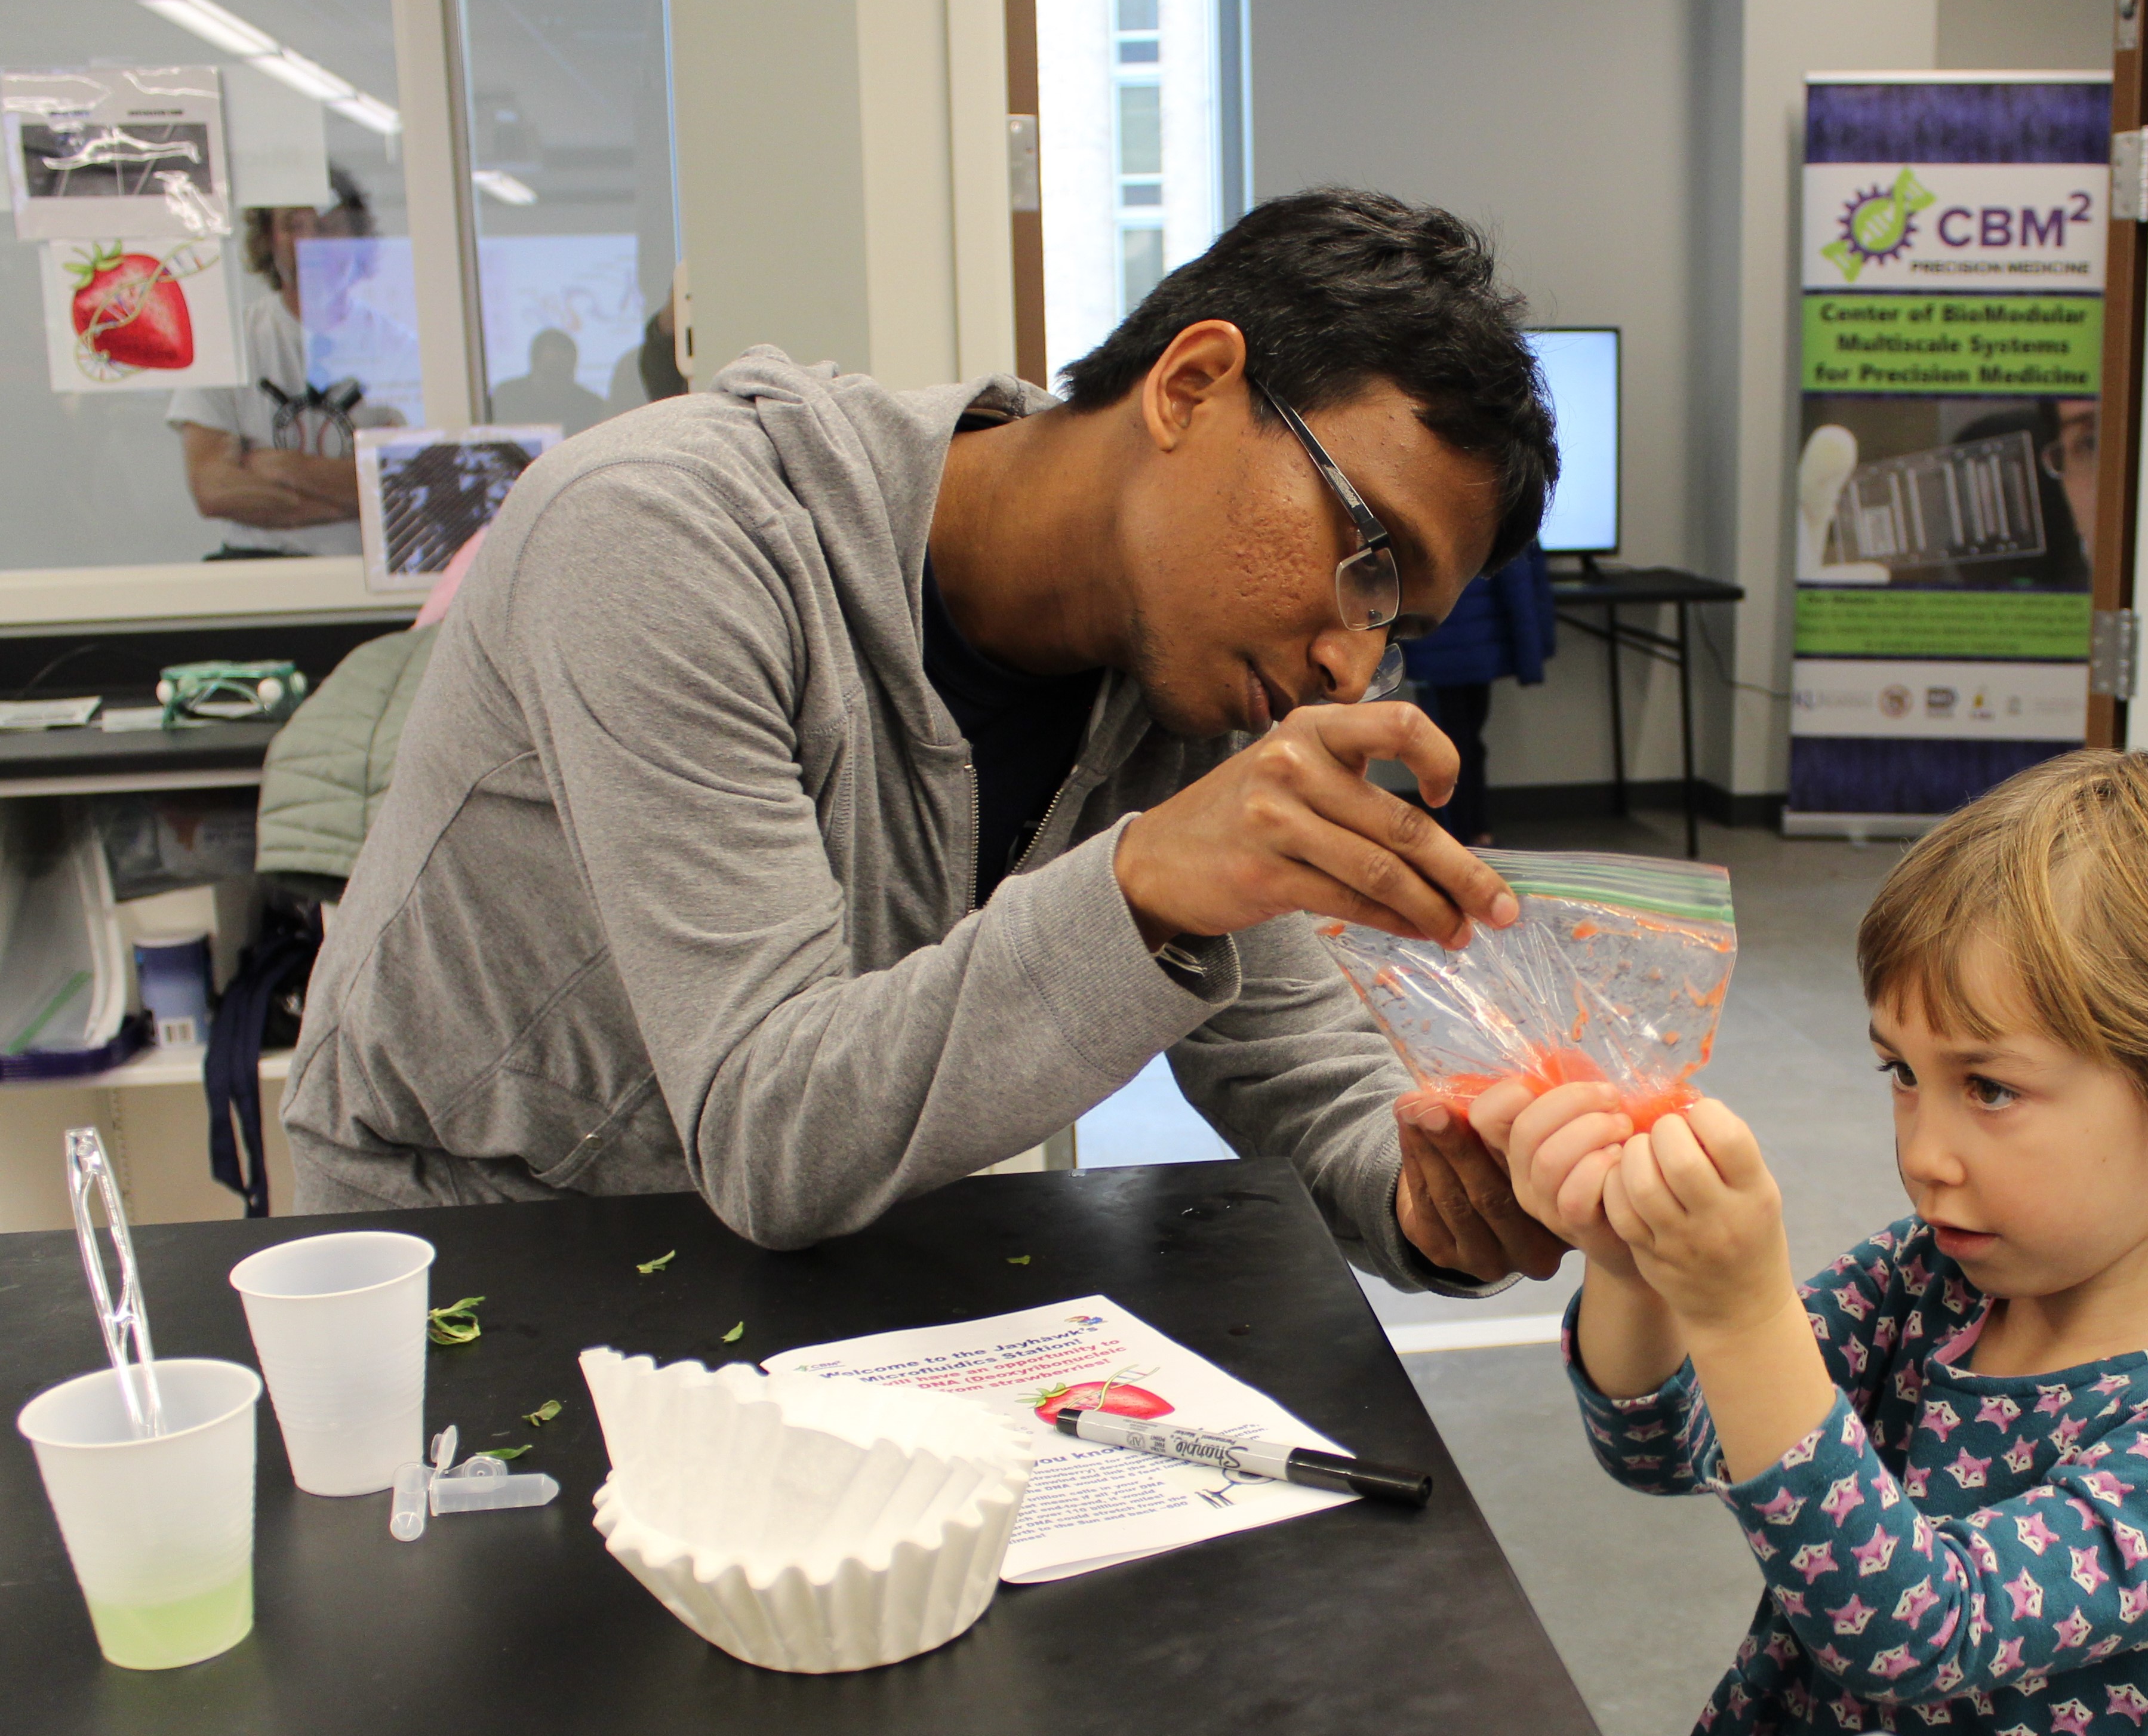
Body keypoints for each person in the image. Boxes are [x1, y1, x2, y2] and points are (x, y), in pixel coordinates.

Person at [282, 189, 1572, 1297]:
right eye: (1365, 557)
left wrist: (1440, 1189)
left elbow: (1306, 1071)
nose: (1347, 662)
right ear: (1190, 385)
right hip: (469, 1259)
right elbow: (764, 1121)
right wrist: (1136, 884)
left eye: (1393, 623)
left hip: (810, 1263)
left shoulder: (1180, 681)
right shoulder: (667, 534)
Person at [1474, 749, 2148, 1736]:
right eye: (1901, 1072)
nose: (1923, 1148)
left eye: (1987, 1086)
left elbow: (1916, 1626)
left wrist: (1736, 1303)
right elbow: (1666, 1442)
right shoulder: (1923, 1283)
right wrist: (1632, 1269)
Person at [168, 166, 394, 558]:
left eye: (329, 227)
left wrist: (286, 468)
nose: (311, 242)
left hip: (366, 577)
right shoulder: (228, 343)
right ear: (267, 240)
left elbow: (406, 487)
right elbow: (212, 489)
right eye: (294, 225)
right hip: (257, 575)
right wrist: (353, 493)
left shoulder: (400, 348)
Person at [1402, 545, 1555, 845]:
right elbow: (1522, 577)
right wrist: (1531, 651)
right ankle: (1477, 832)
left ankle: (1458, 841)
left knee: (1445, 749)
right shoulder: (1499, 500)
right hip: (1478, 645)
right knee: (1468, 744)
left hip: (1436, 641)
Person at [489, 327, 610, 435]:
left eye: (564, 374)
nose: (556, 383)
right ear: (535, 364)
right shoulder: (506, 397)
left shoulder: (591, 406)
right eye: (551, 372)